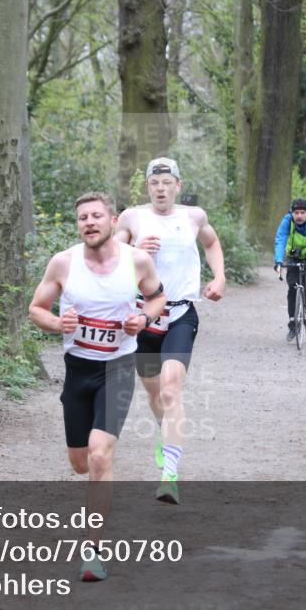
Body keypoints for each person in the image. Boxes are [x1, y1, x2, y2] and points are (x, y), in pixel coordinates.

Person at [29, 192, 165, 581]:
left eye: (95, 216)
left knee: (101, 455)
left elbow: (158, 298)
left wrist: (143, 317)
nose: (89, 222)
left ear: (112, 220)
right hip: (78, 371)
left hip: (118, 368)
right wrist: (58, 324)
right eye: (82, 218)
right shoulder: (63, 263)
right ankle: (97, 486)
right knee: (80, 462)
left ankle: (93, 550)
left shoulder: (137, 260)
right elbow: (36, 308)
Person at [115, 157, 226, 505]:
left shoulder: (194, 216)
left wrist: (219, 276)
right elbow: (108, 252)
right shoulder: (133, 217)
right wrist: (133, 250)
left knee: (171, 388)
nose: (160, 189)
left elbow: (211, 243)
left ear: (178, 185)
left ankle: (170, 475)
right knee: (155, 394)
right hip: (144, 316)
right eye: (154, 183)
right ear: (147, 187)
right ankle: (168, 442)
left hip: (180, 314)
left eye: (167, 183)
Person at [274, 198, 306, 342]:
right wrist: (278, 261)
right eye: (296, 212)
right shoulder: (287, 221)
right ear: (292, 213)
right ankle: (293, 325)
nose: (299, 216)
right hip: (294, 253)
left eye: (302, 212)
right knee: (292, 286)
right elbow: (280, 239)